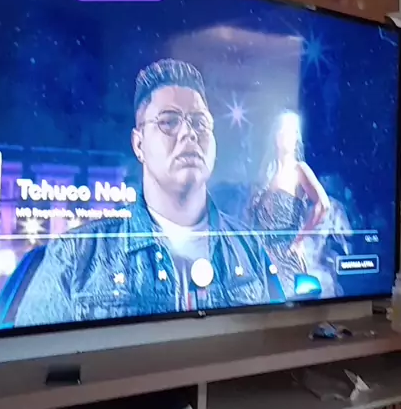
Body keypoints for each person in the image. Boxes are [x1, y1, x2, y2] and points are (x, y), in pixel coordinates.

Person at [14, 59, 284, 327]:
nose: (189, 133)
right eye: (169, 121)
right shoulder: (76, 255)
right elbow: (30, 353)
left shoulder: (250, 249)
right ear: (139, 144)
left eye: (200, 122)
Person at [251, 110, 330, 297]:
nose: (288, 135)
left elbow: (323, 205)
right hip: (263, 257)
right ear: (276, 136)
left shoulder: (299, 169)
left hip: (287, 256)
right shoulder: (266, 173)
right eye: (284, 130)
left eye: (292, 131)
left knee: (288, 303)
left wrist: (299, 240)